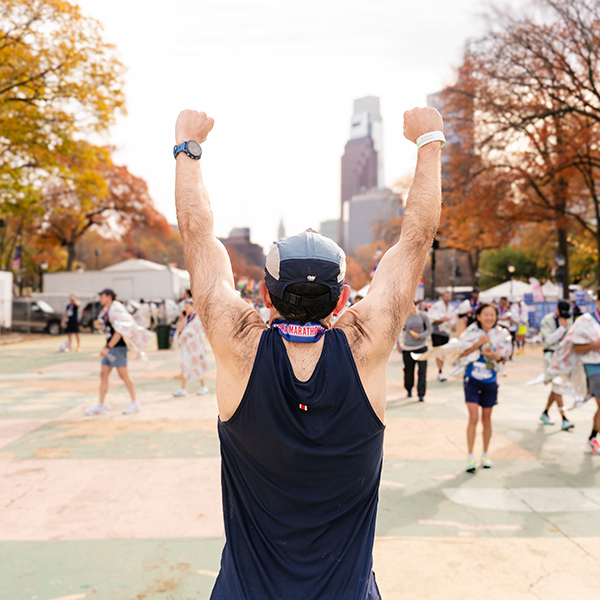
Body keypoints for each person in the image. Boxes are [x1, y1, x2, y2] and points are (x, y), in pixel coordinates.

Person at [174, 106, 444, 599]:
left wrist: (187, 147)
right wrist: (429, 138)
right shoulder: (365, 346)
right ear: (344, 299)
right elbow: (417, 237)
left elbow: (197, 235)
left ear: (264, 294)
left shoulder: (239, 345)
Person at [459, 303, 512, 473]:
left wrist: (496, 356)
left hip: (490, 380)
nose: (489, 317)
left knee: (487, 419)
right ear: (479, 316)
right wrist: (478, 344)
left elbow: (504, 356)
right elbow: (461, 352)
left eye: (492, 314)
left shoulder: (502, 333)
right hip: (472, 379)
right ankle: (469, 456)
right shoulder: (470, 332)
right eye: (486, 314)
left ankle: (485, 454)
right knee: (473, 417)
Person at [84, 289, 146, 416]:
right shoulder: (107, 310)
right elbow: (107, 326)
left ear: (108, 296)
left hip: (118, 347)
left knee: (123, 375)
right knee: (104, 374)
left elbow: (120, 331)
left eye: (102, 295)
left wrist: (108, 347)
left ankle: (135, 402)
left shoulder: (116, 309)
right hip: (111, 346)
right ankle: (101, 404)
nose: (100, 298)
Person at [570, 291, 600, 454]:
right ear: (597, 301)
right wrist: (594, 345)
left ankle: (592, 437)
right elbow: (576, 347)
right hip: (593, 366)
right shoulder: (585, 321)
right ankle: (592, 438)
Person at [539, 300, 574, 430]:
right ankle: (564, 418)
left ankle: (545, 412)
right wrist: (561, 329)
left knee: (556, 387)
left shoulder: (569, 320)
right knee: (557, 385)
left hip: (564, 358)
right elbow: (548, 340)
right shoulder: (547, 320)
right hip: (550, 356)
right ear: (556, 310)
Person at [172, 298, 209, 396]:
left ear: (193, 307)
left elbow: (195, 332)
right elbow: (181, 331)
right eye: (185, 308)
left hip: (196, 347)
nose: (186, 310)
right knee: (184, 365)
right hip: (188, 348)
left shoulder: (197, 318)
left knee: (199, 365)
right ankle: (182, 388)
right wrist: (182, 318)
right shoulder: (187, 318)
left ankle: (203, 386)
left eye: (188, 307)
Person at [397, 300, 432, 401]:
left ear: (415, 305)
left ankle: (421, 394)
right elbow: (398, 331)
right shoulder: (404, 316)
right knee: (408, 371)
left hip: (421, 347)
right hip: (408, 348)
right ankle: (409, 389)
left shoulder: (423, 316)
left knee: (422, 371)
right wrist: (399, 344)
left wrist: (420, 336)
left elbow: (429, 329)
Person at [428, 288, 456, 381]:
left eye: (449, 296)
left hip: (446, 332)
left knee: (443, 352)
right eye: (446, 295)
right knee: (439, 351)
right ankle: (440, 371)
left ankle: (441, 370)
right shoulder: (437, 306)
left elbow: (453, 320)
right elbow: (431, 318)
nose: (447, 297)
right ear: (443, 296)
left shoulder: (451, 307)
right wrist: (442, 319)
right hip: (437, 331)